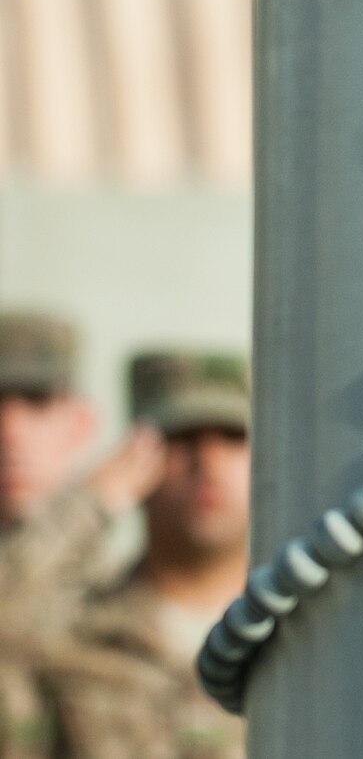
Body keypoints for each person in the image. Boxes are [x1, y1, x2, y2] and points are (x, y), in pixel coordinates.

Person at [10, 352, 251, 759]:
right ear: (137, 458)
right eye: (181, 439)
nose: (207, 464)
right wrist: (89, 506)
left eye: (233, 438)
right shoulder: (75, 632)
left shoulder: (297, 636)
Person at [0, 312, 163, 643]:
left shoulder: (113, 589)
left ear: (81, 425)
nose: (11, 432)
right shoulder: (91, 518)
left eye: (37, 403)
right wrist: (89, 507)